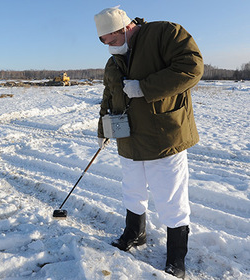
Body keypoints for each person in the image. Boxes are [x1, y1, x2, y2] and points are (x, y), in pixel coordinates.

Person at [94, 6, 203, 279]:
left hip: (163, 134)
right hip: (128, 137)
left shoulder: (164, 33)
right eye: (104, 43)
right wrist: (103, 128)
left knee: (170, 195)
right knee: (132, 189)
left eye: (113, 41)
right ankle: (135, 232)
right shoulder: (113, 62)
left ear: (126, 27)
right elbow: (109, 96)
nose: (110, 48)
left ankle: (176, 256)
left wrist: (145, 87)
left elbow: (192, 67)